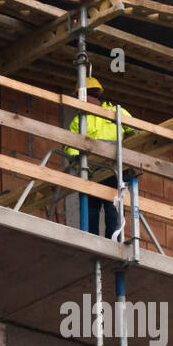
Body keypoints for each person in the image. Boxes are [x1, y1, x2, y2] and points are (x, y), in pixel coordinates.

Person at [64, 78, 133, 238]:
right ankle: (92, 242)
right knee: (90, 213)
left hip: (114, 171)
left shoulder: (117, 112)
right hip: (92, 171)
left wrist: (131, 161)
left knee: (113, 212)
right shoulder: (79, 120)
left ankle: (114, 243)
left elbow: (137, 134)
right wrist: (79, 166)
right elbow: (71, 148)